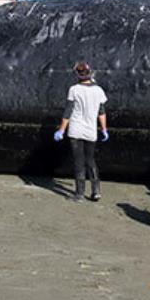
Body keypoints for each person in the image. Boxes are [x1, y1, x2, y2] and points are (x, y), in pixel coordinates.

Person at [53, 62, 109, 201]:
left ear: (77, 74)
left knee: (79, 161)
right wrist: (104, 129)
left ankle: (79, 194)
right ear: (90, 73)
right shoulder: (99, 90)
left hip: (76, 130)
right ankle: (96, 191)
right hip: (91, 131)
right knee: (90, 160)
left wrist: (61, 130)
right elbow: (101, 112)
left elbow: (68, 111)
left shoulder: (74, 89)